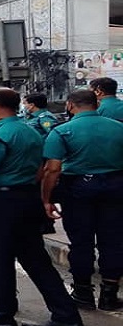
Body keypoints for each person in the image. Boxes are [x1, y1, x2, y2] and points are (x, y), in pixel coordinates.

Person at [0, 87, 83, 326]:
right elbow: (42, 169)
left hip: (1, 203)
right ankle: (66, 316)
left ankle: (1, 316)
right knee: (37, 261)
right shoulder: (31, 131)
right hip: (27, 199)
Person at [41, 89, 123, 311]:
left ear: (70, 105)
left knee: (81, 242)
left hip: (77, 190)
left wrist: (46, 199)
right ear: (96, 104)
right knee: (113, 241)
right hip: (116, 188)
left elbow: (52, 170)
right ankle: (109, 294)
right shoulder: (119, 128)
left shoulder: (62, 131)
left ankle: (83, 292)